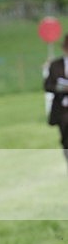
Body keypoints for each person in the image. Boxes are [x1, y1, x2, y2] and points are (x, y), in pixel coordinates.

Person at [44, 33, 68, 170]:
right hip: (62, 109)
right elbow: (47, 86)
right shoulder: (55, 65)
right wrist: (61, 88)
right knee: (65, 139)